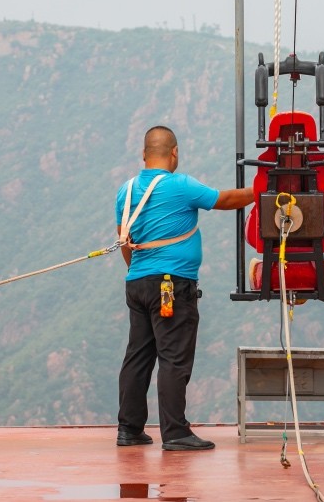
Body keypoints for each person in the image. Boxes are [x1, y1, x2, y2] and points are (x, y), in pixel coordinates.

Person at [114, 125, 253, 451]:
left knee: (137, 357)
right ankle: (175, 432)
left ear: (144, 154)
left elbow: (124, 240)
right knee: (174, 359)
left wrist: (140, 275)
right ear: (174, 152)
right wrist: (264, 190)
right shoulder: (181, 185)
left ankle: (129, 430)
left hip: (137, 283)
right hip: (171, 286)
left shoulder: (127, 190)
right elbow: (226, 199)